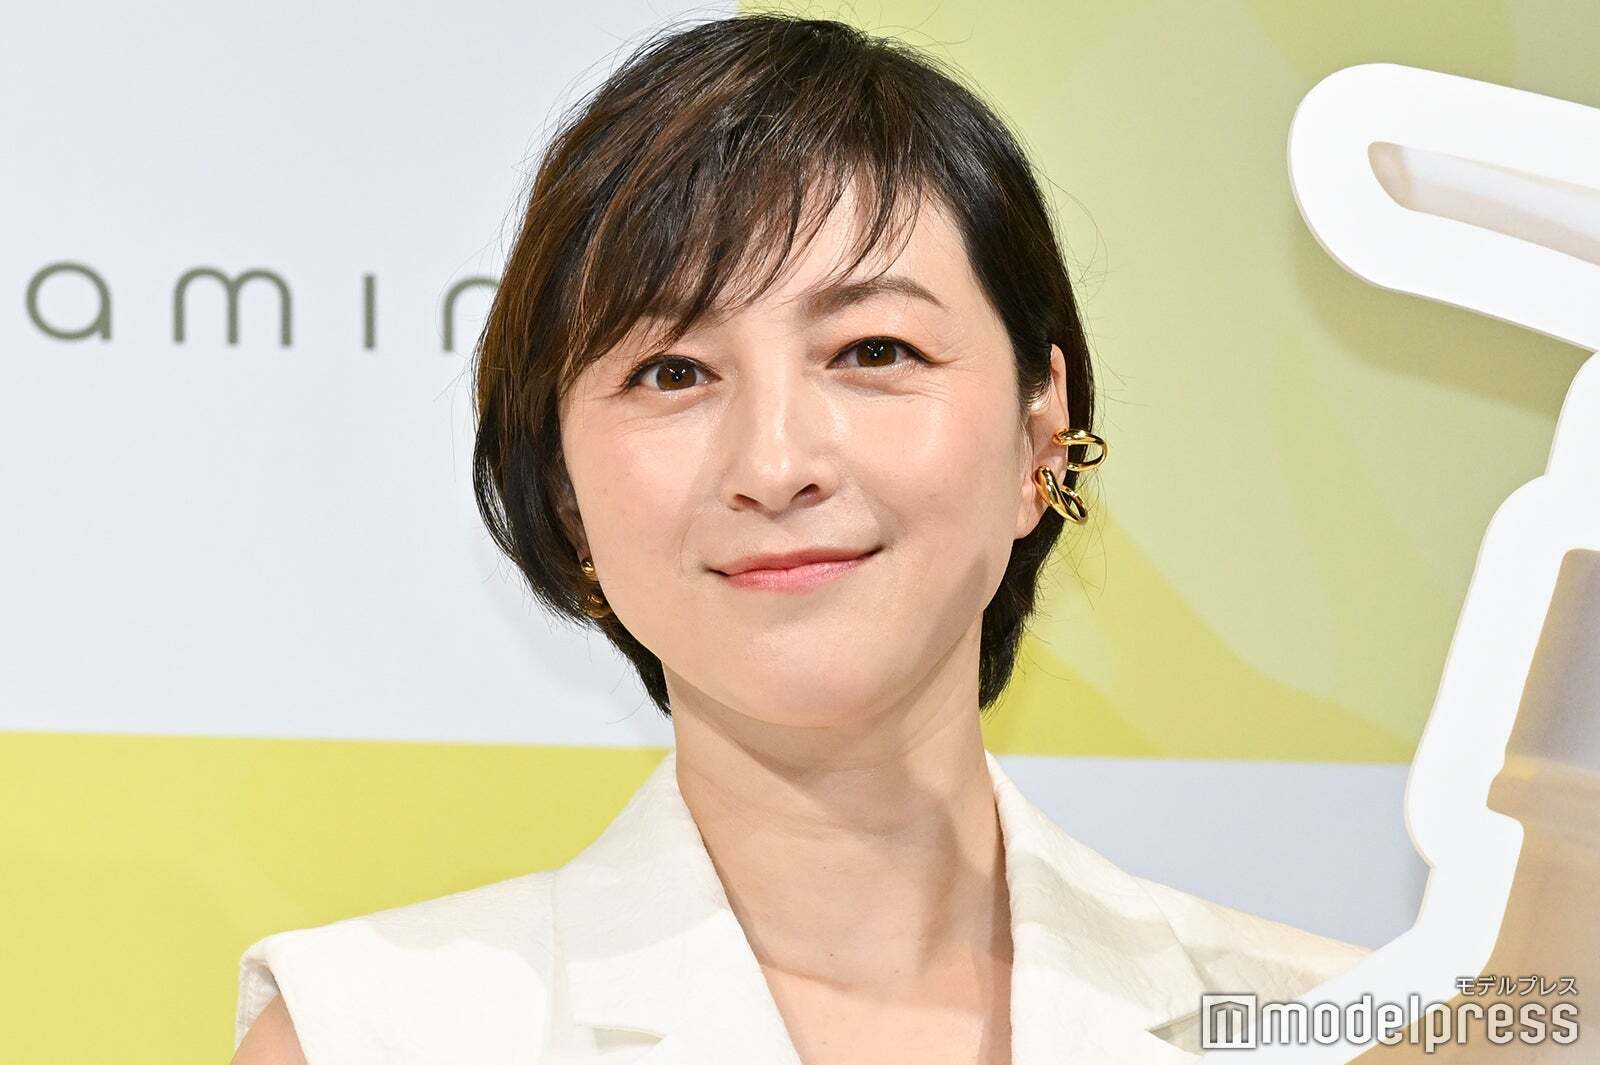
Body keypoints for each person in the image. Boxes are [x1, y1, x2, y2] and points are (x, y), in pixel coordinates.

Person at [231, 12, 1369, 1065]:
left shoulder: (1343, 1028)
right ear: (567, 493)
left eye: (874, 351)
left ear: (1039, 437)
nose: (775, 465)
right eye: (672, 372)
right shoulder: (369, 1035)